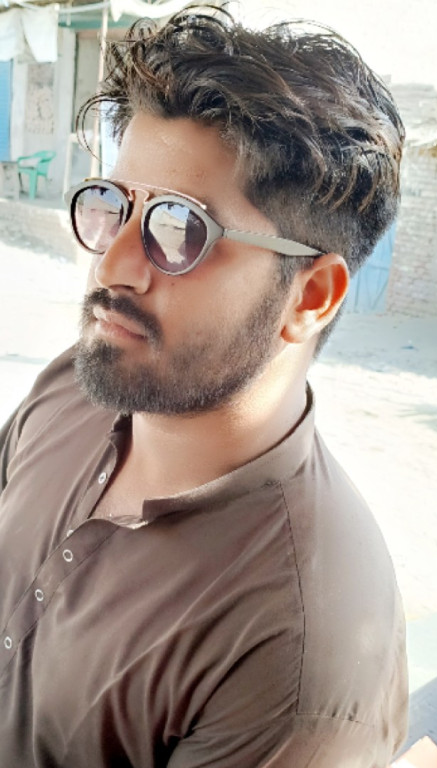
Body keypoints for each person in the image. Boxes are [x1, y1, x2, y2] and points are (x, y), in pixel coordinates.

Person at [0, 9, 408, 768]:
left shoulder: (295, 651)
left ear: (311, 295)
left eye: (179, 228)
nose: (112, 267)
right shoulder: (78, 386)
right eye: (113, 205)